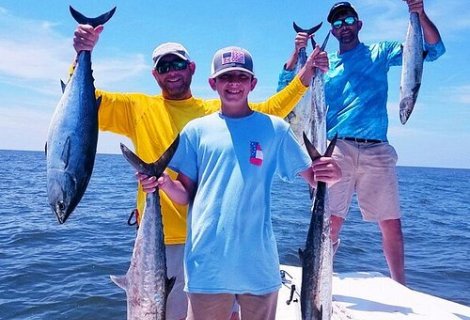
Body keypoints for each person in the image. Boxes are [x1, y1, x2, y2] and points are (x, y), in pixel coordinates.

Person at [72, 24, 326, 319]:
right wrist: (82, 52)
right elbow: (80, 104)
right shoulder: (136, 107)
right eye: (164, 66)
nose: (172, 71)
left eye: (178, 63)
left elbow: (272, 111)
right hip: (165, 240)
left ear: (191, 68)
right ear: (155, 74)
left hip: (215, 246)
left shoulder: (213, 111)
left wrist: (305, 74)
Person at [138, 46, 342, 320]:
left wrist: (333, 172)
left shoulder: (275, 129)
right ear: (213, 83)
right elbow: (185, 194)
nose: (233, 83)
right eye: (225, 77)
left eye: (241, 77)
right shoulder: (196, 131)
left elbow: (315, 179)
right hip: (207, 263)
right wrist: (162, 182)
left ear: (253, 83)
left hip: (258, 264)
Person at [277, 0, 445, 285]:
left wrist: (418, 13)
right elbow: (286, 90)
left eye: (348, 21)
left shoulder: (380, 53)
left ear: (359, 24)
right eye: (337, 23)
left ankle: (401, 286)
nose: (343, 27)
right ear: (333, 28)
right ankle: (319, 284)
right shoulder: (325, 65)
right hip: (336, 147)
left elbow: (433, 52)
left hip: (377, 147)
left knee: (391, 223)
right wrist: (297, 54)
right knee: (329, 221)